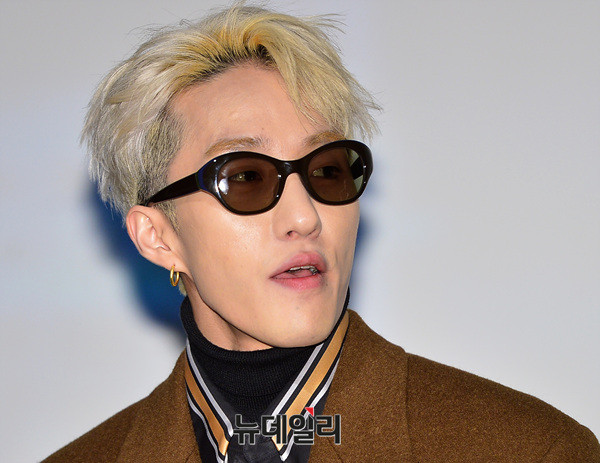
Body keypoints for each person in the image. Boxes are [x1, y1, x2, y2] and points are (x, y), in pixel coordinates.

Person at [43, 4, 599, 463]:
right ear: (157, 237)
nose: (305, 217)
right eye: (245, 177)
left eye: (327, 169)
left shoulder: (531, 450)